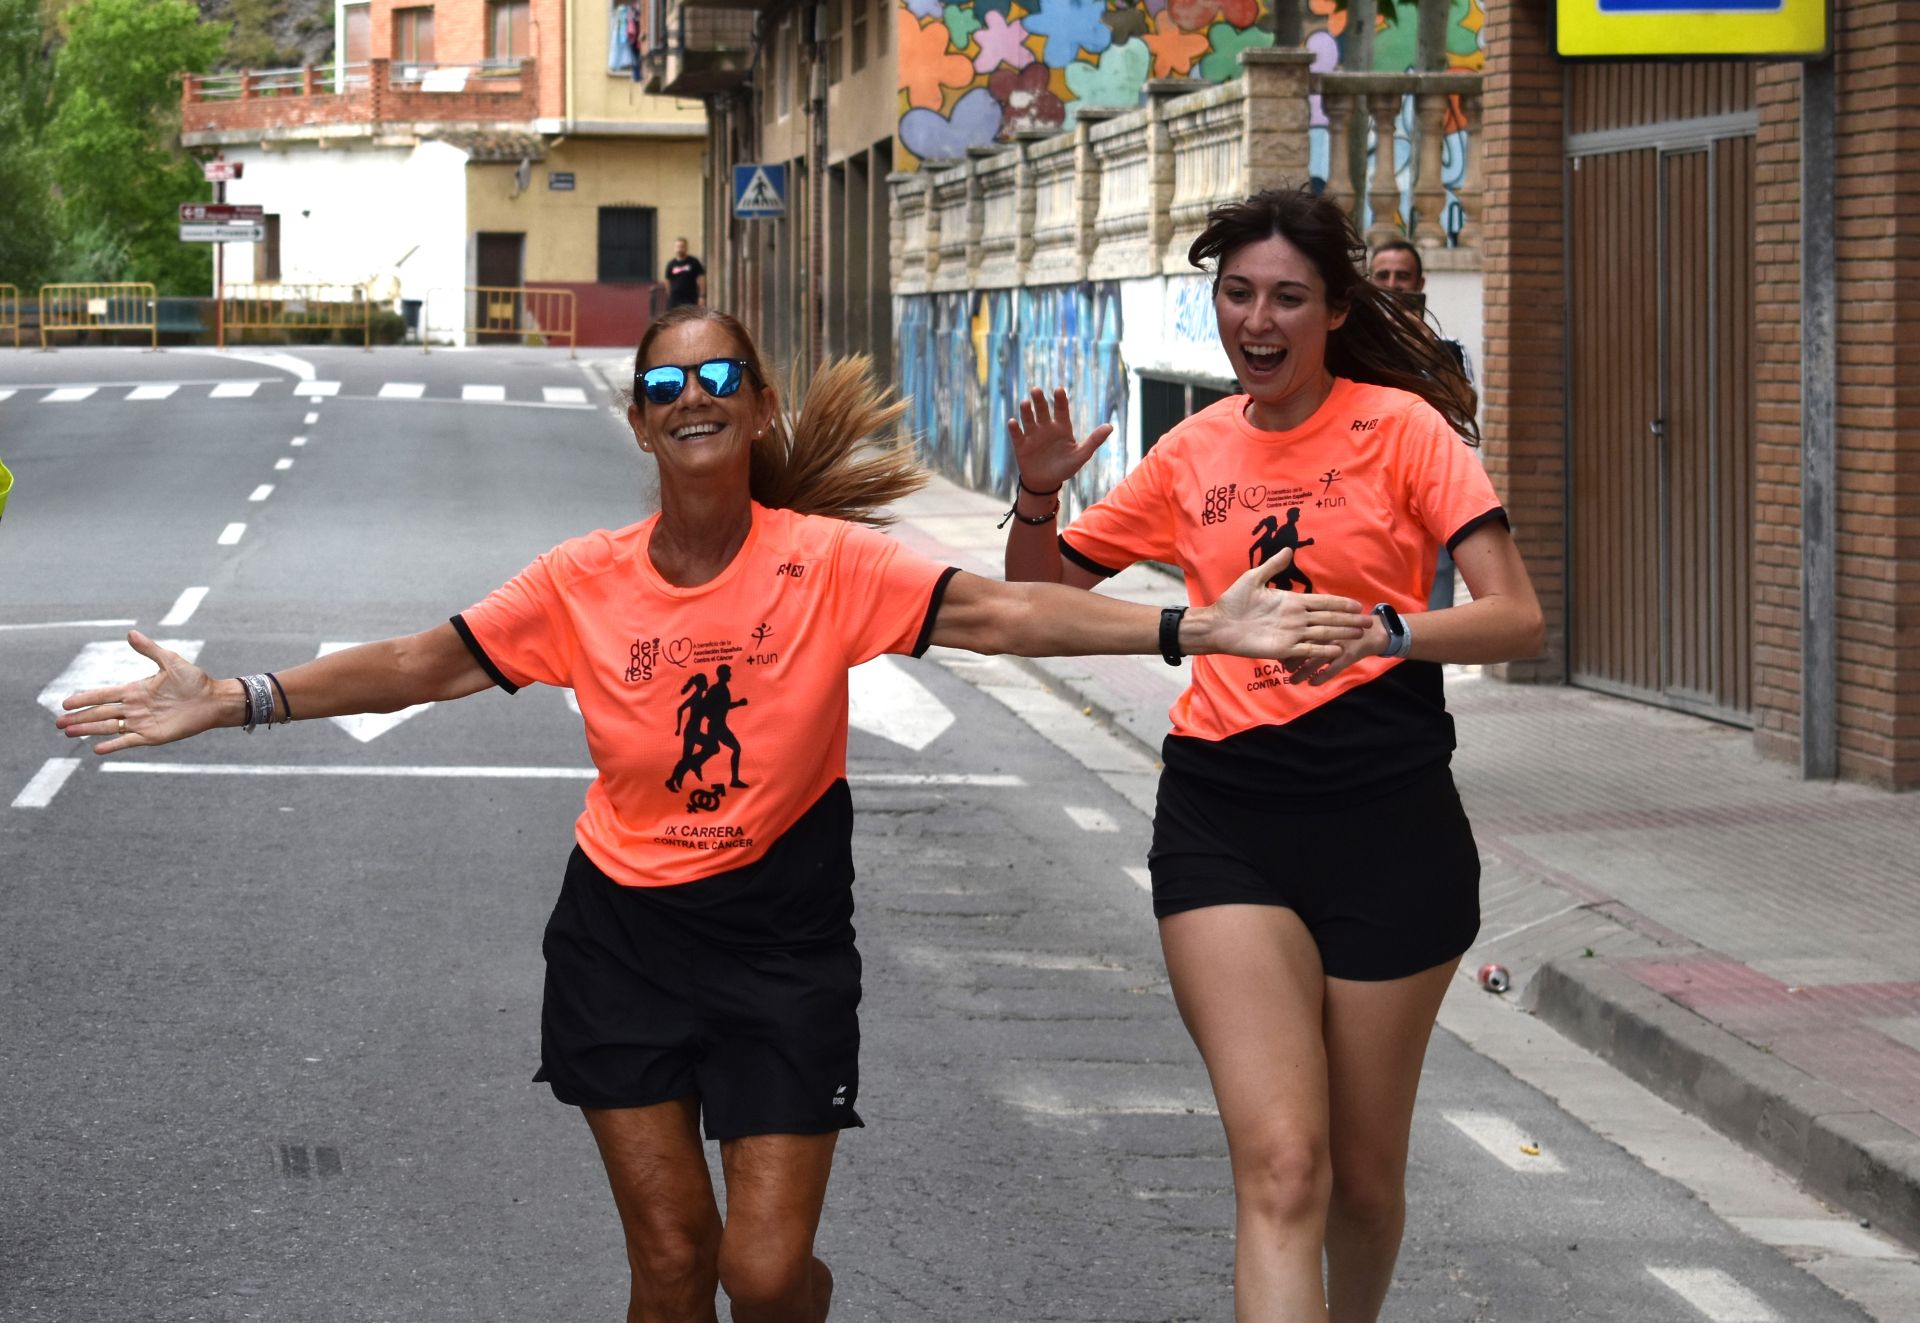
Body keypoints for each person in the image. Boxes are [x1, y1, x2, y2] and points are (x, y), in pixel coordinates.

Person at [56, 303, 1370, 1323]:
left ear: (756, 409)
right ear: (641, 423)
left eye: (718, 380)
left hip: (782, 942)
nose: (693, 400)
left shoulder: (830, 562)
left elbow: (1001, 608)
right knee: (676, 1260)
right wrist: (235, 694)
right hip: (620, 941)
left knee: (764, 1266)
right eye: (667, 386)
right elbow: (425, 659)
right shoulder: (582, 581)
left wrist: (1191, 622)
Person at [1003, 187, 1543, 1323]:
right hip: (1226, 819)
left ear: (1334, 310)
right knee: (1285, 1166)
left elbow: (1515, 620)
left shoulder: (1406, 433)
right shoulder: (1191, 449)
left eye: (1287, 297)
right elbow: (1039, 600)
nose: (1258, 318)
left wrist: (1391, 632)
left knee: (1363, 1176)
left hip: (1390, 822)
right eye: (1237, 293)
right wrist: (1040, 494)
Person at [1368, 237, 1474, 611]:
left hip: (1427, 493)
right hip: (1365, 494)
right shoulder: (1347, 348)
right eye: (1383, 276)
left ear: (1420, 285)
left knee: (1433, 608)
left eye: (1403, 277)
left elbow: (1465, 410)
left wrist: (1427, 348)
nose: (1393, 285)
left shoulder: (1445, 347)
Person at [664, 237, 706, 309]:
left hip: (690, 298)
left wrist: (702, 296)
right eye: (678, 247)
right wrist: (669, 295)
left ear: (686, 248)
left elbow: (701, 278)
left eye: (682, 246)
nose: (680, 249)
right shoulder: (671, 264)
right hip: (675, 300)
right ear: (675, 248)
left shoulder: (694, 262)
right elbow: (667, 281)